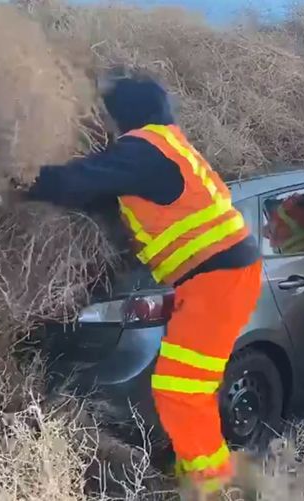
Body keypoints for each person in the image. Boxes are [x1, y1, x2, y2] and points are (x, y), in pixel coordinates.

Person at [22, 72, 262, 496]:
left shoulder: (144, 149)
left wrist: (23, 179)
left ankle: (214, 487)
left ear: (125, 116)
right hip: (222, 276)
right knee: (190, 387)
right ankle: (211, 477)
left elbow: (80, 180)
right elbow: (109, 191)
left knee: (178, 389)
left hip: (216, 279)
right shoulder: (166, 147)